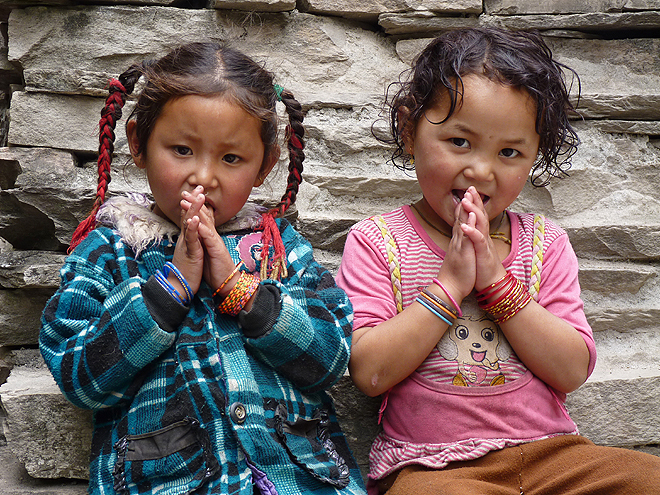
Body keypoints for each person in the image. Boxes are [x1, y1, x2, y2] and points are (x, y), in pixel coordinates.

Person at [336, 27, 660, 495]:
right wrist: (449, 285)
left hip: (553, 456)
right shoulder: (379, 241)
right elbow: (369, 373)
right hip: (436, 468)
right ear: (410, 130)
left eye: (509, 152)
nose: (481, 171)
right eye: (460, 142)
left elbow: (570, 370)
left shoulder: (544, 243)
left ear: (534, 157)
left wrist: (496, 282)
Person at [40, 42, 366, 495]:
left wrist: (242, 291)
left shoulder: (278, 249)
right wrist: (170, 290)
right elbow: (79, 375)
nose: (203, 177)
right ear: (137, 143)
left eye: (231, 158)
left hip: (297, 478)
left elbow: (330, 357)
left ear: (263, 166)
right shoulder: (109, 249)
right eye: (181, 149)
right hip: (168, 480)